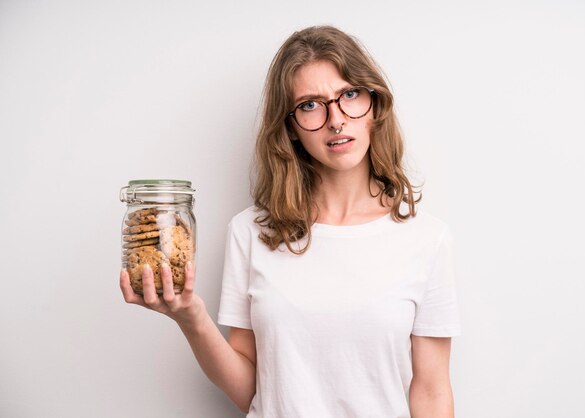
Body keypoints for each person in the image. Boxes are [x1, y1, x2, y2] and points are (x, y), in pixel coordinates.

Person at [120, 25, 461, 418]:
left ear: (374, 105)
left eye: (349, 95)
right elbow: (250, 391)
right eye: (311, 105)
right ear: (292, 128)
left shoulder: (426, 239)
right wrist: (191, 317)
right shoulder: (250, 232)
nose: (336, 120)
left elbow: (432, 392)